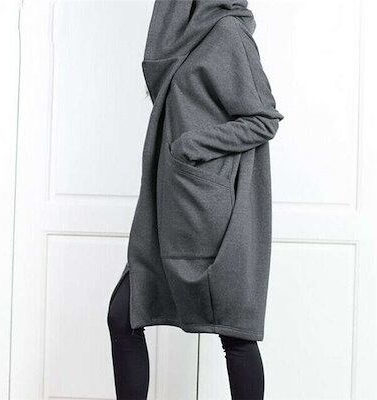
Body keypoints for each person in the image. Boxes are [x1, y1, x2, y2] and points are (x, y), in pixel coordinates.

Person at [107, 1, 283, 399]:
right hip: (169, 208)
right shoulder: (186, 37)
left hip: (206, 215)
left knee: (234, 334)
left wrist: (192, 146)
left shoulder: (227, 33)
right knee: (123, 314)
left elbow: (264, 119)